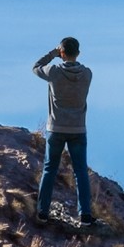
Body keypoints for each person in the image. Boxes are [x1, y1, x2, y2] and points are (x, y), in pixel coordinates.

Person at [32, 37, 98, 225]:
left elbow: (36, 66)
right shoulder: (87, 74)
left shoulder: (53, 71)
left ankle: (43, 212)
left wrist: (53, 53)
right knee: (80, 172)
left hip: (56, 128)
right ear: (78, 53)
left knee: (49, 169)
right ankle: (85, 214)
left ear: (62, 53)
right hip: (78, 129)